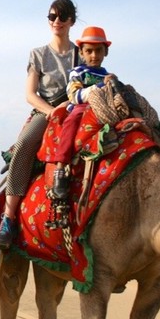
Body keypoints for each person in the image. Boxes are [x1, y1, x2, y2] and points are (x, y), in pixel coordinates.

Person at [0, 0, 79, 248]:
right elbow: (30, 94)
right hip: (45, 111)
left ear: (71, 20)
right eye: (52, 17)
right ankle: (7, 220)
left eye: (62, 17)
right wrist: (52, 111)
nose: (57, 22)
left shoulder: (80, 53)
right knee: (24, 145)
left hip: (75, 110)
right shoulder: (38, 54)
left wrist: (68, 106)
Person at [46, 26, 115, 200]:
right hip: (81, 109)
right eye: (89, 51)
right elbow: (75, 95)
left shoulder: (109, 76)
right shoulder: (78, 73)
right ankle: (60, 168)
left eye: (98, 50)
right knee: (72, 120)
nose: (94, 55)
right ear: (82, 53)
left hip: (105, 112)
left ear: (105, 52)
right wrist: (99, 88)